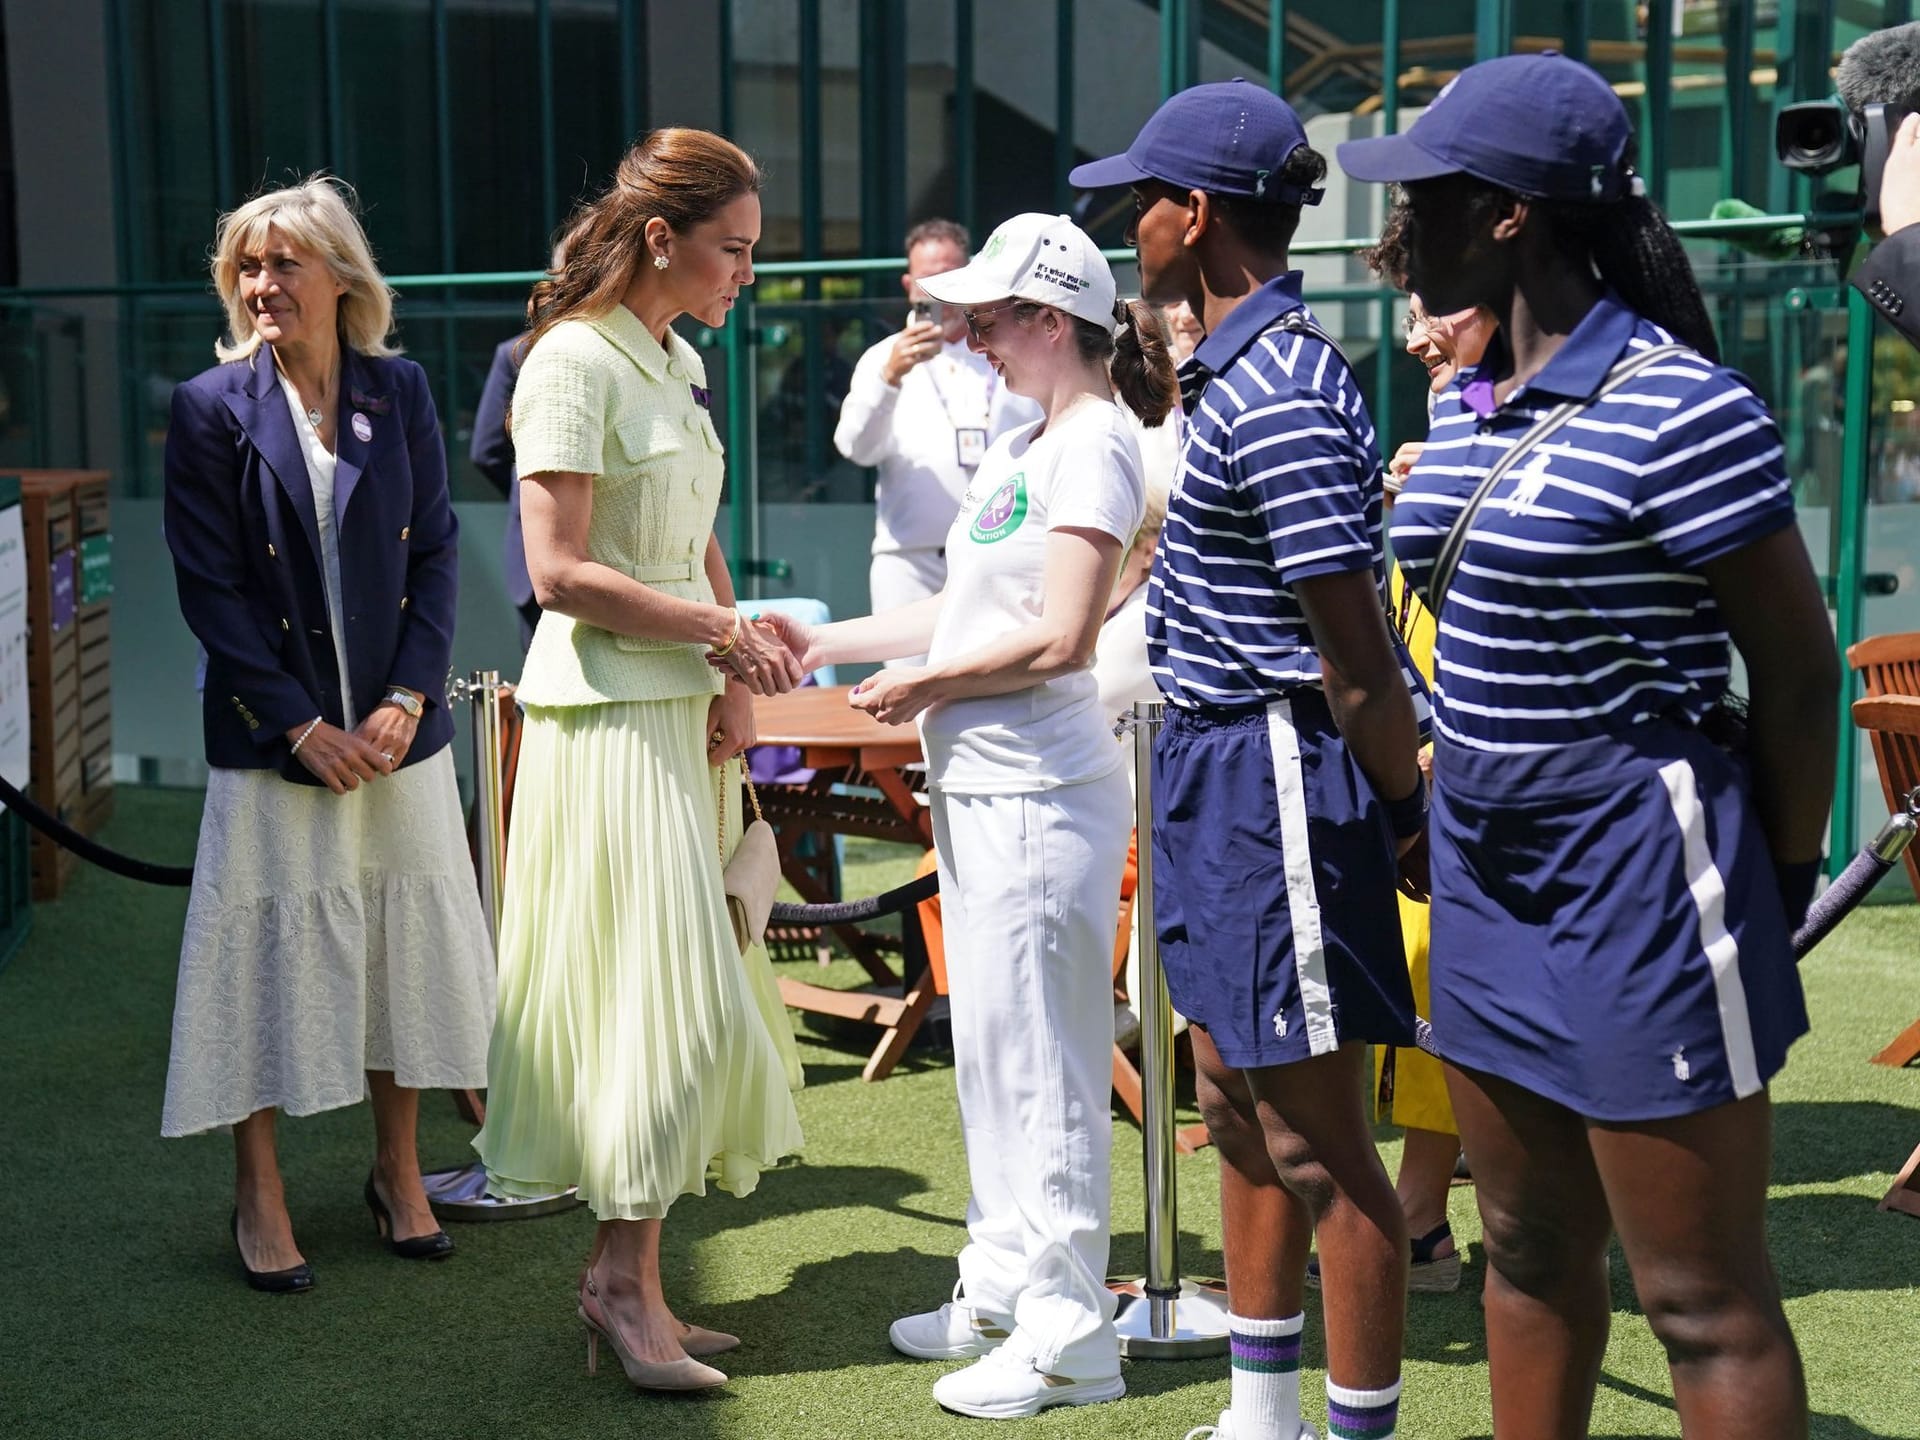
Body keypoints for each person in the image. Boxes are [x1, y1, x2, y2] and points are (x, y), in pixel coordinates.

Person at [1339, 51, 1839, 1438]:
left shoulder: (1686, 410)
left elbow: (1798, 682)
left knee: (1697, 1298)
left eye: (1426, 201)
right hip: (1487, 872)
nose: (1401, 234)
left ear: (1511, 214)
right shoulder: (1462, 401)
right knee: (1530, 1254)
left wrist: (1775, 890)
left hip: (1642, 874)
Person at [766, 212, 1177, 1421]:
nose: (970, 337)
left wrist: (922, 687)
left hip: (1044, 791)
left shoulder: (1095, 441)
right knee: (997, 1054)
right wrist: (827, 642)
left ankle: (1068, 1339)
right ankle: (1003, 1287)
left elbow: (1060, 635)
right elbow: (964, 609)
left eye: (989, 319)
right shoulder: (1035, 439)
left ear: (1051, 322)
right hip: (992, 793)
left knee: (1046, 1064)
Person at [1071, 79, 1430, 1440]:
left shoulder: (1276, 383)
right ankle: (1263, 1414)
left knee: (1323, 1147)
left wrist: (1405, 811)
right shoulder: (1228, 367)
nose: (1129, 220)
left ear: (1196, 214)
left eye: (1142, 197)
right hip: (1216, 772)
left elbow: (1350, 653)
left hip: (1277, 770)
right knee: (1227, 1100)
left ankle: (1352, 1429)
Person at [470, 128, 806, 1394]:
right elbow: (557, 571)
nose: (747, 274)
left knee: (690, 1004)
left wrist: (732, 674)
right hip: (603, 723)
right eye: (735, 249)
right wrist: (721, 634)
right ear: (663, 238)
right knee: (643, 1010)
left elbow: (698, 540)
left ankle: (631, 1280)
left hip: (679, 717)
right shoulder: (569, 359)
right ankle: (621, 1287)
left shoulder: (677, 359)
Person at [160, 177, 495, 1291]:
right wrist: (301, 725)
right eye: (247, 266)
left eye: (285, 263)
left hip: (399, 742)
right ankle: (260, 1192)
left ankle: (399, 1173)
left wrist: (405, 700)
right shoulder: (209, 407)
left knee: (401, 952)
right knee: (260, 956)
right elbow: (209, 588)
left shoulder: (398, 391)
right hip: (274, 743)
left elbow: (436, 554)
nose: (263, 285)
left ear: (341, 277)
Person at [834, 218, 1041, 615]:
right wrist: (890, 378)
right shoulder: (882, 358)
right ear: (910, 286)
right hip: (910, 564)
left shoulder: (1008, 353)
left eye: (952, 277)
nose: (942, 292)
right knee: (907, 677)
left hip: (1001, 557)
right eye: (930, 281)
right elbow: (855, 448)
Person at [471, 336, 539, 653]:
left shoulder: (518, 351)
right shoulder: (516, 353)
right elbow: (486, 451)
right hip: (540, 570)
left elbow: (487, 451)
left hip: (536, 565)